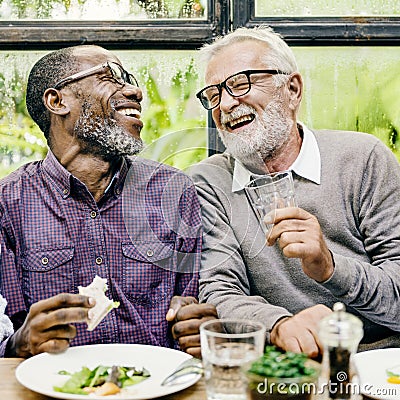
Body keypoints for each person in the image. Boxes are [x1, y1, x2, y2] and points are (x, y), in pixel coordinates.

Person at [190, 25, 400, 358]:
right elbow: (219, 290)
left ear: (292, 89)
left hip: (378, 363)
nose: (226, 104)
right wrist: (280, 325)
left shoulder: (364, 159)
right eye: (214, 94)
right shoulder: (208, 181)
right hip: (279, 369)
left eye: (241, 83)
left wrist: (330, 268)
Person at [0, 44, 217, 358]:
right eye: (112, 77)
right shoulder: (8, 204)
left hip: (158, 384)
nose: (137, 92)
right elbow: (10, 336)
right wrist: (19, 343)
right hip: (53, 386)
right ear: (57, 101)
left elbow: (194, 305)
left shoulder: (173, 190)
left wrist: (196, 325)